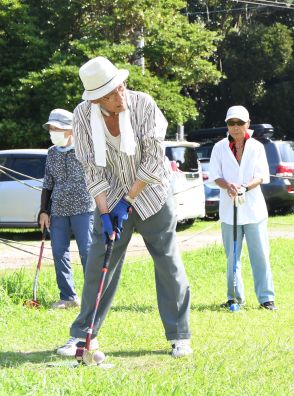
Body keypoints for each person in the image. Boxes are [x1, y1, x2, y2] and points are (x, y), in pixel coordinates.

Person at [56, 56, 192, 359]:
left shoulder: (143, 105)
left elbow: (155, 160)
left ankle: (179, 335)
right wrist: (105, 212)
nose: (121, 96)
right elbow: (91, 168)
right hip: (111, 197)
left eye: (122, 87)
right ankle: (83, 337)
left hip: (152, 194)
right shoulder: (82, 116)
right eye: (111, 94)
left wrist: (127, 202)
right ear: (96, 99)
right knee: (97, 266)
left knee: (168, 263)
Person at [209, 105, 277, 310]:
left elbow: (262, 175)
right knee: (232, 257)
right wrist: (227, 185)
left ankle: (266, 299)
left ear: (248, 124)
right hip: (230, 211)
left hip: (254, 210)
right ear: (227, 125)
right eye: (231, 123)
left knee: (261, 255)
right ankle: (234, 298)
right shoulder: (219, 147)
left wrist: (245, 187)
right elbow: (214, 175)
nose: (236, 127)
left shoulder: (256, 146)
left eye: (240, 123)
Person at [39, 108, 95, 309]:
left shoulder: (85, 150)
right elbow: (47, 183)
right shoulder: (52, 153)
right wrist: (43, 211)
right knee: (58, 251)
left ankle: (93, 297)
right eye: (51, 129)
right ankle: (68, 297)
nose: (53, 132)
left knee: (87, 252)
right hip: (58, 209)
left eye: (58, 129)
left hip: (83, 207)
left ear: (70, 130)